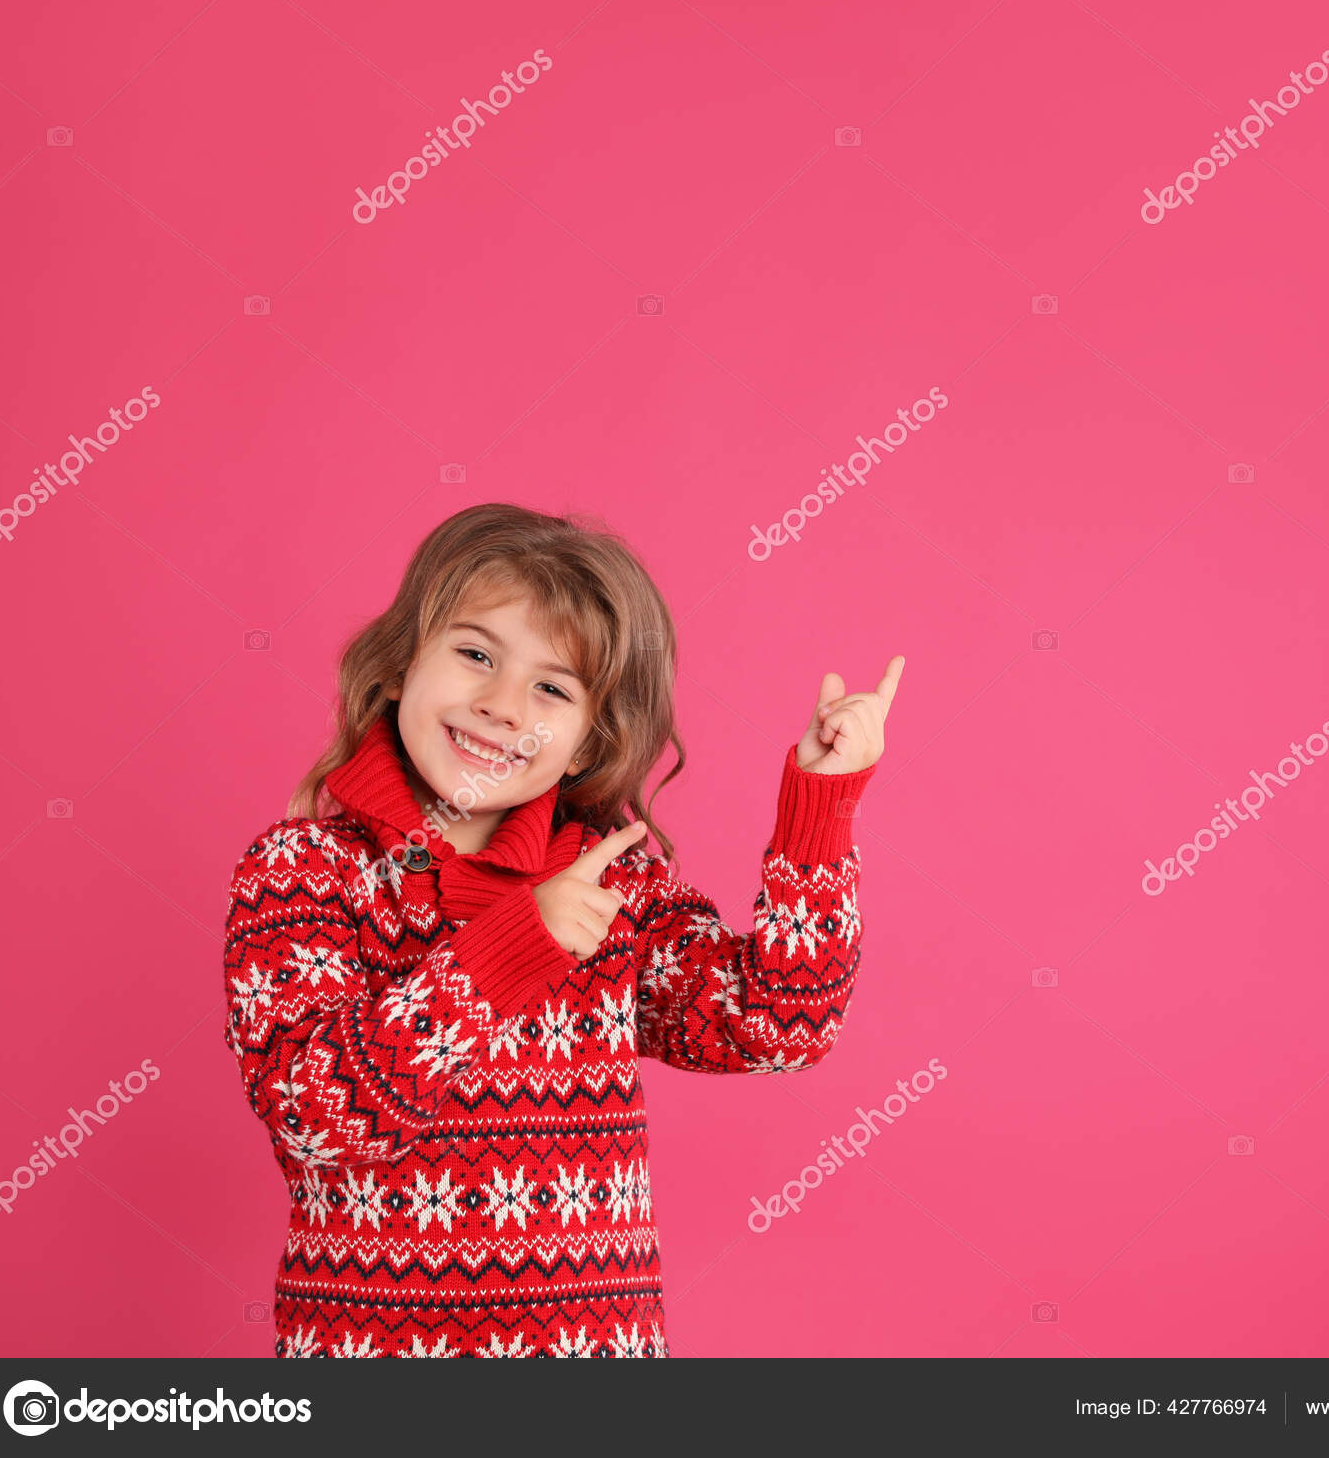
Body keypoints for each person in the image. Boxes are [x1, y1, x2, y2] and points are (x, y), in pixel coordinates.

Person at [222, 502, 903, 1358]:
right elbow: (311, 1120)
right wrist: (515, 946)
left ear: (586, 744)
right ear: (400, 667)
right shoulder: (304, 872)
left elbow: (777, 1025)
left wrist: (819, 812)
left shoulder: (613, 881)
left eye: (552, 688)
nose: (504, 706)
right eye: (476, 654)